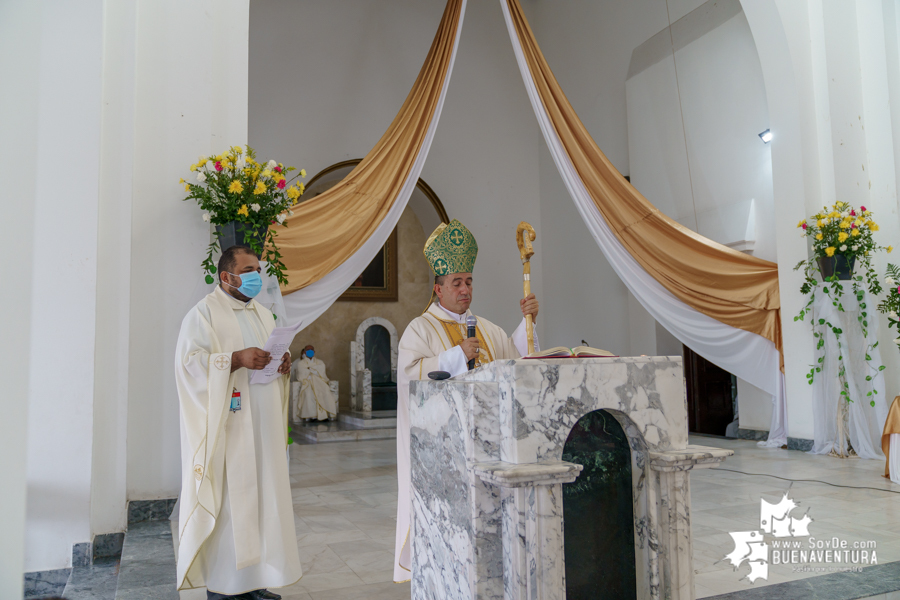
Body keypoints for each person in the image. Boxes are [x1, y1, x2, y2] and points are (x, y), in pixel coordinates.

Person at [392, 219, 540, 582]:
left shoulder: (487, 329)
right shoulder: (420, 329)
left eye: (469, 281)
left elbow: (515, 364)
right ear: (438, 289)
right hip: (447, 452)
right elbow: (410, 376)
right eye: (456, 283)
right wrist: (454, 356)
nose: (464, 289)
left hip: (492, 448)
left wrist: (528, 323)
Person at [174, 244, 302, 600]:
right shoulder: (202, 315)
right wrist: (233, 359)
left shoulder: (263, 314)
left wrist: (283, 363)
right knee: (233, 506)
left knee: (264, 503)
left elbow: (269, 356)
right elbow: (189, 366)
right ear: (226, 275)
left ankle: (257, 582)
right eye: (247, 271)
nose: (255, 277)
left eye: (257, 270)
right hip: (229, 430)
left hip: (263, 428)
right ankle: (226, 589)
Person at [291, 345, 337, 421]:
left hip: (319, 382)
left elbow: (321, 370)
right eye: (308, 350)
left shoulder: (319, 362)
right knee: (309, 394)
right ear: (305, 352)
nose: (310, 351)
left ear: (314, 352)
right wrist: (314, 370)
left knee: (325, 391)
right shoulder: (301, 363)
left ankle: (324, 415)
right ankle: (312, 416)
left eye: (311, 350)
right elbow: (303, 373)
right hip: (307, 383)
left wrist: (310, 369)